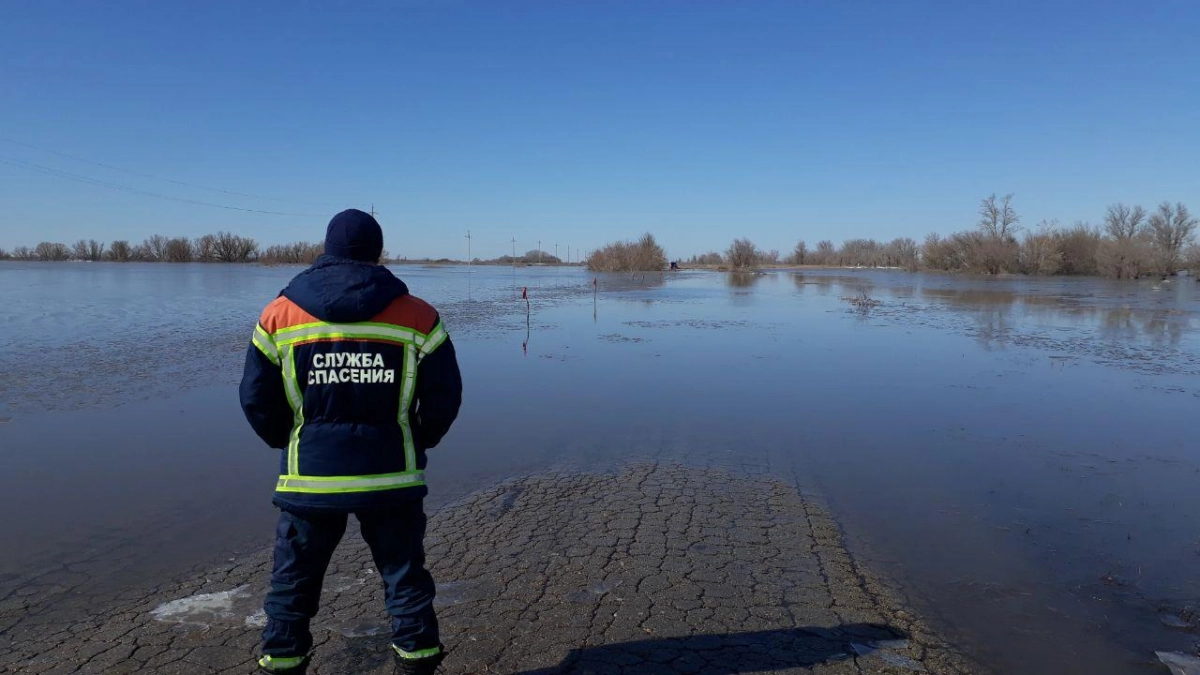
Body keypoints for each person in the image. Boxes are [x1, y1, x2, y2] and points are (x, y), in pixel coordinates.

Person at [240, 209, 463, 675]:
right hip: (392, 475)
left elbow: (257, 399)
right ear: (378, 252)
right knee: (405, 583)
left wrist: (293, 440)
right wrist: (419, 439)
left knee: (293, 586)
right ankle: (418, 664)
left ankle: (282, 664)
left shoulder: (279, 313)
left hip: (310, 479)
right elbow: (444, 396)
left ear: (327, 250)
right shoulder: (418, 314)